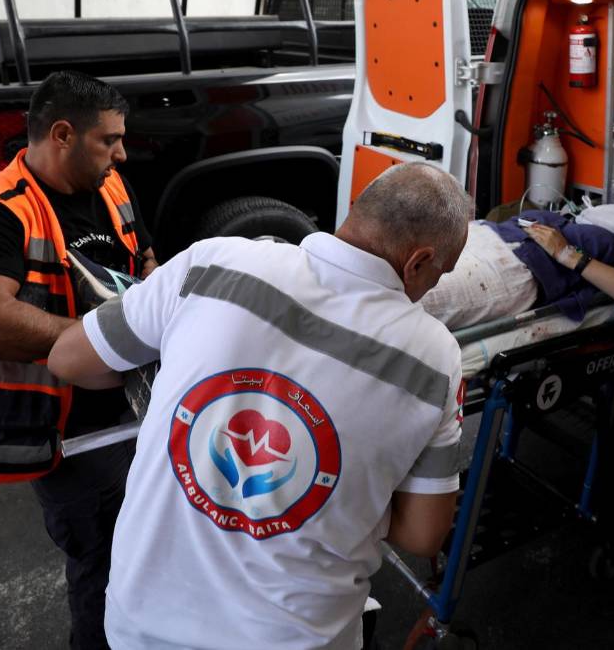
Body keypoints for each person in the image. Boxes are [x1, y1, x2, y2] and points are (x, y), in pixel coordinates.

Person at [47, 163, 471, 650]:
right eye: (440, 274)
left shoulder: (213, 262)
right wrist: (349, 493)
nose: (433, 286)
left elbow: (67, 359)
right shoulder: (435, 359)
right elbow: (423, 535)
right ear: (419, 261)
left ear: (357, 211)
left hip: (139, 625)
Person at [0, 70, 156, 650]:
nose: (121, 154)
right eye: (109, 140)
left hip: (135, 414)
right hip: (69, 436)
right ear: (63, 134)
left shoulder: (112, 187)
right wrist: (104, 340)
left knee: (146, 556)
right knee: (104, 567)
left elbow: (142, 258)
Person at [420, 208, 614, 329]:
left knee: (417, 300)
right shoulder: (564, 217)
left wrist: (567, 254)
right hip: (483, 234)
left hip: (513, 266)